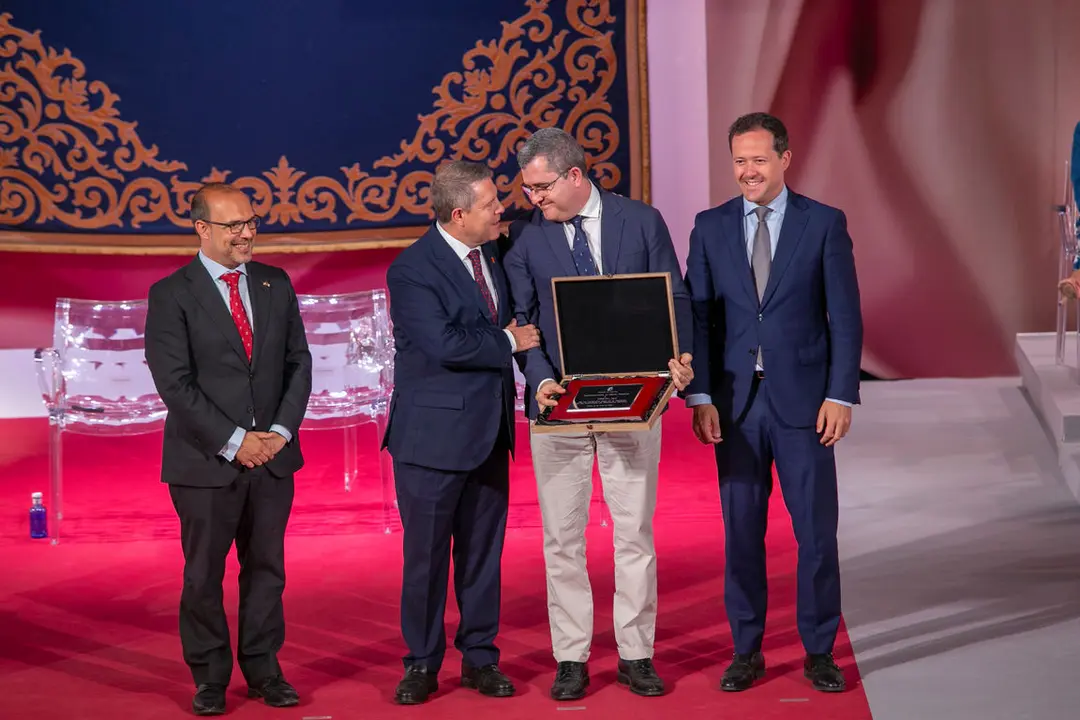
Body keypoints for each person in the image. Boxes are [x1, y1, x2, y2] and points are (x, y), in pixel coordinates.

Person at [503, 127, 694, 701]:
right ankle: (571, 656)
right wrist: (537, 380)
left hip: (636, 399)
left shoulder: (642, 221)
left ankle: (636, 653)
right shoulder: (526, 241)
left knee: (633, 532)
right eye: (528, 190)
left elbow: (675, 297)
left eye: (541, 187)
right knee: (562, 538)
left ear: (575, 175)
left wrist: (680, 360)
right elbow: (522, 321)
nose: (532, 199)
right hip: (559, 404)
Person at [683, 112, 862, 694]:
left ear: (785, 158)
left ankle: (818, 651)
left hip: (806, 403)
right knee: (741, 532)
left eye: (758, 159)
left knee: (815, 532)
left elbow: (846, 316)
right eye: (739, 160)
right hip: (735, 405)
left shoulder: (824, 224)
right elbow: (700, 318)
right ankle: (747, 649)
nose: (747, 171)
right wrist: (701, 394)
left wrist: (840, 393)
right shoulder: (709, 227)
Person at [144, 182, 312, 716]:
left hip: (273, 456)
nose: (246, 233)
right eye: (233, 225)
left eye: (251, 222)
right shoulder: (171, 293)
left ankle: (264, 670)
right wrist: (237, 442)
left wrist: (279, 434)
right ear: (201, 228)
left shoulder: (274, 283)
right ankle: (210, 677)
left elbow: (298, 364)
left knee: (267, 569)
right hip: (204, 462)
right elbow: (175, 384)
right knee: (203, 574)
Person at [381, 160, 540, 705]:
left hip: (490, 434)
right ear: (458, 214)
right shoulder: (412, 270)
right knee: (426, 559)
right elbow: (445, 344)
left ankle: (480, 659)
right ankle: (421, 664)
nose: (503, 209)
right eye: (492, 203)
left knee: (481, 556)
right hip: (430, 443)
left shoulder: (493, 251)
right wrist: (510, 342)